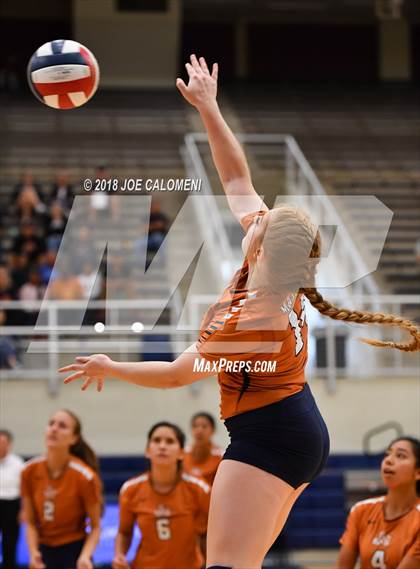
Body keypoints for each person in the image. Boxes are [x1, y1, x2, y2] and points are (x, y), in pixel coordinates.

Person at [60, 55, 420, 569]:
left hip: (271, 438)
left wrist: (109, 366)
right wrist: (208, 106)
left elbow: (175, 375)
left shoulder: (257, 325)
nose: (254, 217)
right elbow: (235, 180)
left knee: (224, 565)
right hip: (292, 428)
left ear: (261, 251)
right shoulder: (276, 271)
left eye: (260, 223)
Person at [112, 421, 210, 569]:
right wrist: (119, 555)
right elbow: (124, 532)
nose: (162, 446)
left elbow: (207, 535)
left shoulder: (199, 489)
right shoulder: (131, 489)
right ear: (147, 451)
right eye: (156, 440)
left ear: (181, 453)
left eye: (170, 441)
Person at [21, 409, 102, 569]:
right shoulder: (28, 471)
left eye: (62, 426)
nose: (54, 429)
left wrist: (85, 556)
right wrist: (33, 552)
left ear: (74, 438)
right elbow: (30, 522)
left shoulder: (85, 476)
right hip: (43, 550)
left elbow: (96, 527)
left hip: (74, 551)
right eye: (51, 423)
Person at [336, 436, 420, 569]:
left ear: (418, 473)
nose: (389, 460)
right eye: (387, 454)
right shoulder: (361, 510)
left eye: (400, 456)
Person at [0, 429, 24, 569]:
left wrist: (23, 510)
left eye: (3, 442)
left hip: (11, 506)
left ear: (9, 444)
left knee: (10, 543)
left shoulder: (18, 463)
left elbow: (25, 490)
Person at [184, 412, 223, 486]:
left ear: (213, 430)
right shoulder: (182, 454)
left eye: (204, 426)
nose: (199, 430)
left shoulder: (221, 456)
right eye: (195, 426)